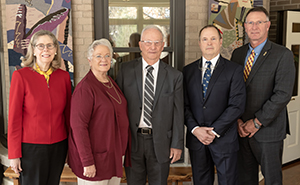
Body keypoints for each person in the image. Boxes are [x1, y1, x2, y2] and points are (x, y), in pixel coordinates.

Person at [230, 7, 296, 185]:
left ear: (268, 25)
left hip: (268, 130)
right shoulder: (237, 54)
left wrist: (257, 122)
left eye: (259, 22)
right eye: (250, 22)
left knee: (272, 179)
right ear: (244, 26)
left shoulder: (283, 55)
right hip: (241, 129)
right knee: (244, 178)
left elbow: (282, 94)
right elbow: (232, 91)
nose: (254, 27)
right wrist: (237, 121)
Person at [116, 25, 184, 185]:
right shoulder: (125, 70)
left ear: (162, 45)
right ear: (140, 45)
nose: (152, 47)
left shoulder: (175, 76)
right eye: (148, 42)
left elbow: (178, 113)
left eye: (157, 42)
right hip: (133, 141)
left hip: (161, 143)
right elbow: (117, 109)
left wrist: (177, 144)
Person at [183, 25, 246, 185]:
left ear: (220, 41)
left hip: (224, 139)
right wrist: (196, 130)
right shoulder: (187, 71)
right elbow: (183, 106)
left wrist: (214, 131)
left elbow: (236, 106)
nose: (209, 43)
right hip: (197, 140)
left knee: (228, 182)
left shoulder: (234, 70)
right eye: (205, 39)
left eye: (213, 38)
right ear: (199, 43)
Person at [8, 30, 72, 185]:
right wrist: (14, 154)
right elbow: (14, 118)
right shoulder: (21, 76)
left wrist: (72, 148)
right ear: (34, 50)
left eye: (50, 46)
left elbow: (68, 115)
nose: (46, 50)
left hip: (59, 145)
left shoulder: (63, 77)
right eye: (41, 46)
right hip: (31, 149)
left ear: (56, 50)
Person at [68, 38, 131, 185]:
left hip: (113, 156)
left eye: (107, 55)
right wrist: (87, 161)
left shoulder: (110, 82)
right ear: (90, 60)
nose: (104, 59)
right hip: (95, 161)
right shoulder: (85, 88)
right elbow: (78, 127)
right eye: (98, 56)